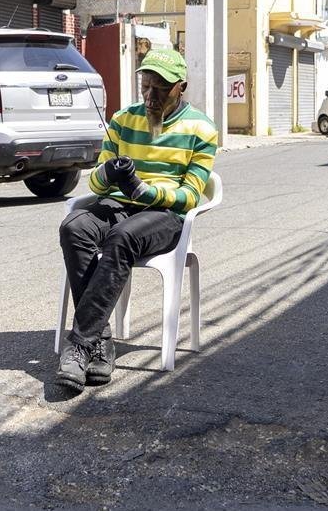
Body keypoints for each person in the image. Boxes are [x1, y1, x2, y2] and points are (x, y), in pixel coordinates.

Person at [56, 48, 219, 391]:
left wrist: (145, 192)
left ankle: (80, 345)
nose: (150, 96)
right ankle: (101, 340)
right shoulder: (122, 120)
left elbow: (191, 195)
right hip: (118, 205)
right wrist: (110, 172)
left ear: (181, 87)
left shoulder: (201, 128)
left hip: (165, 216)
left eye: (160, 88)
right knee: (74, 228)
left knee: (123, 236)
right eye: (145, 86)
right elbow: (95, 184)